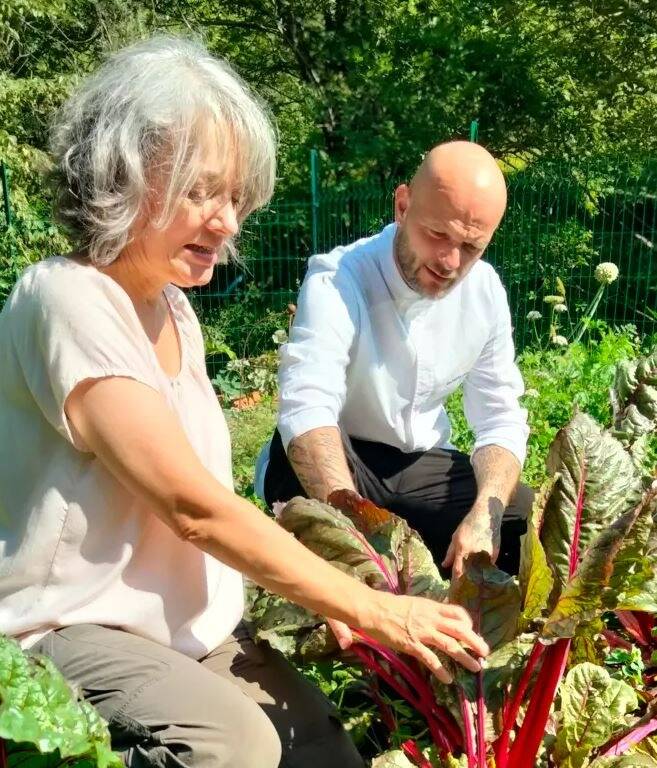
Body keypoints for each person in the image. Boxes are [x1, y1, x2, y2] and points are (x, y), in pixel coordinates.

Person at [0, 37, 489, 768]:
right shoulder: (68, 297)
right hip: (67, 623)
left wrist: (320, 594)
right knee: (231, 749)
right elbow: (190, 506)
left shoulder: (170, 309)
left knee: (324, 754)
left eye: (234, 197)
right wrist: (368, 604)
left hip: (186, 627)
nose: (227, 222)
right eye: (200, 192)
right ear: (123, 175)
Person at [257, 141, 532, 579]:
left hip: (418, 465)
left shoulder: (485, 293)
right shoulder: (339, 277)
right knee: (321, 536)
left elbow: (500, 417)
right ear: (402, 206)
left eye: (470, 246)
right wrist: (352, 537)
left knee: (520, 517)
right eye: (437, 235)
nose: (449, 261)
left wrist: (484, 517)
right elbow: (308, 408)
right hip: (342, 457)